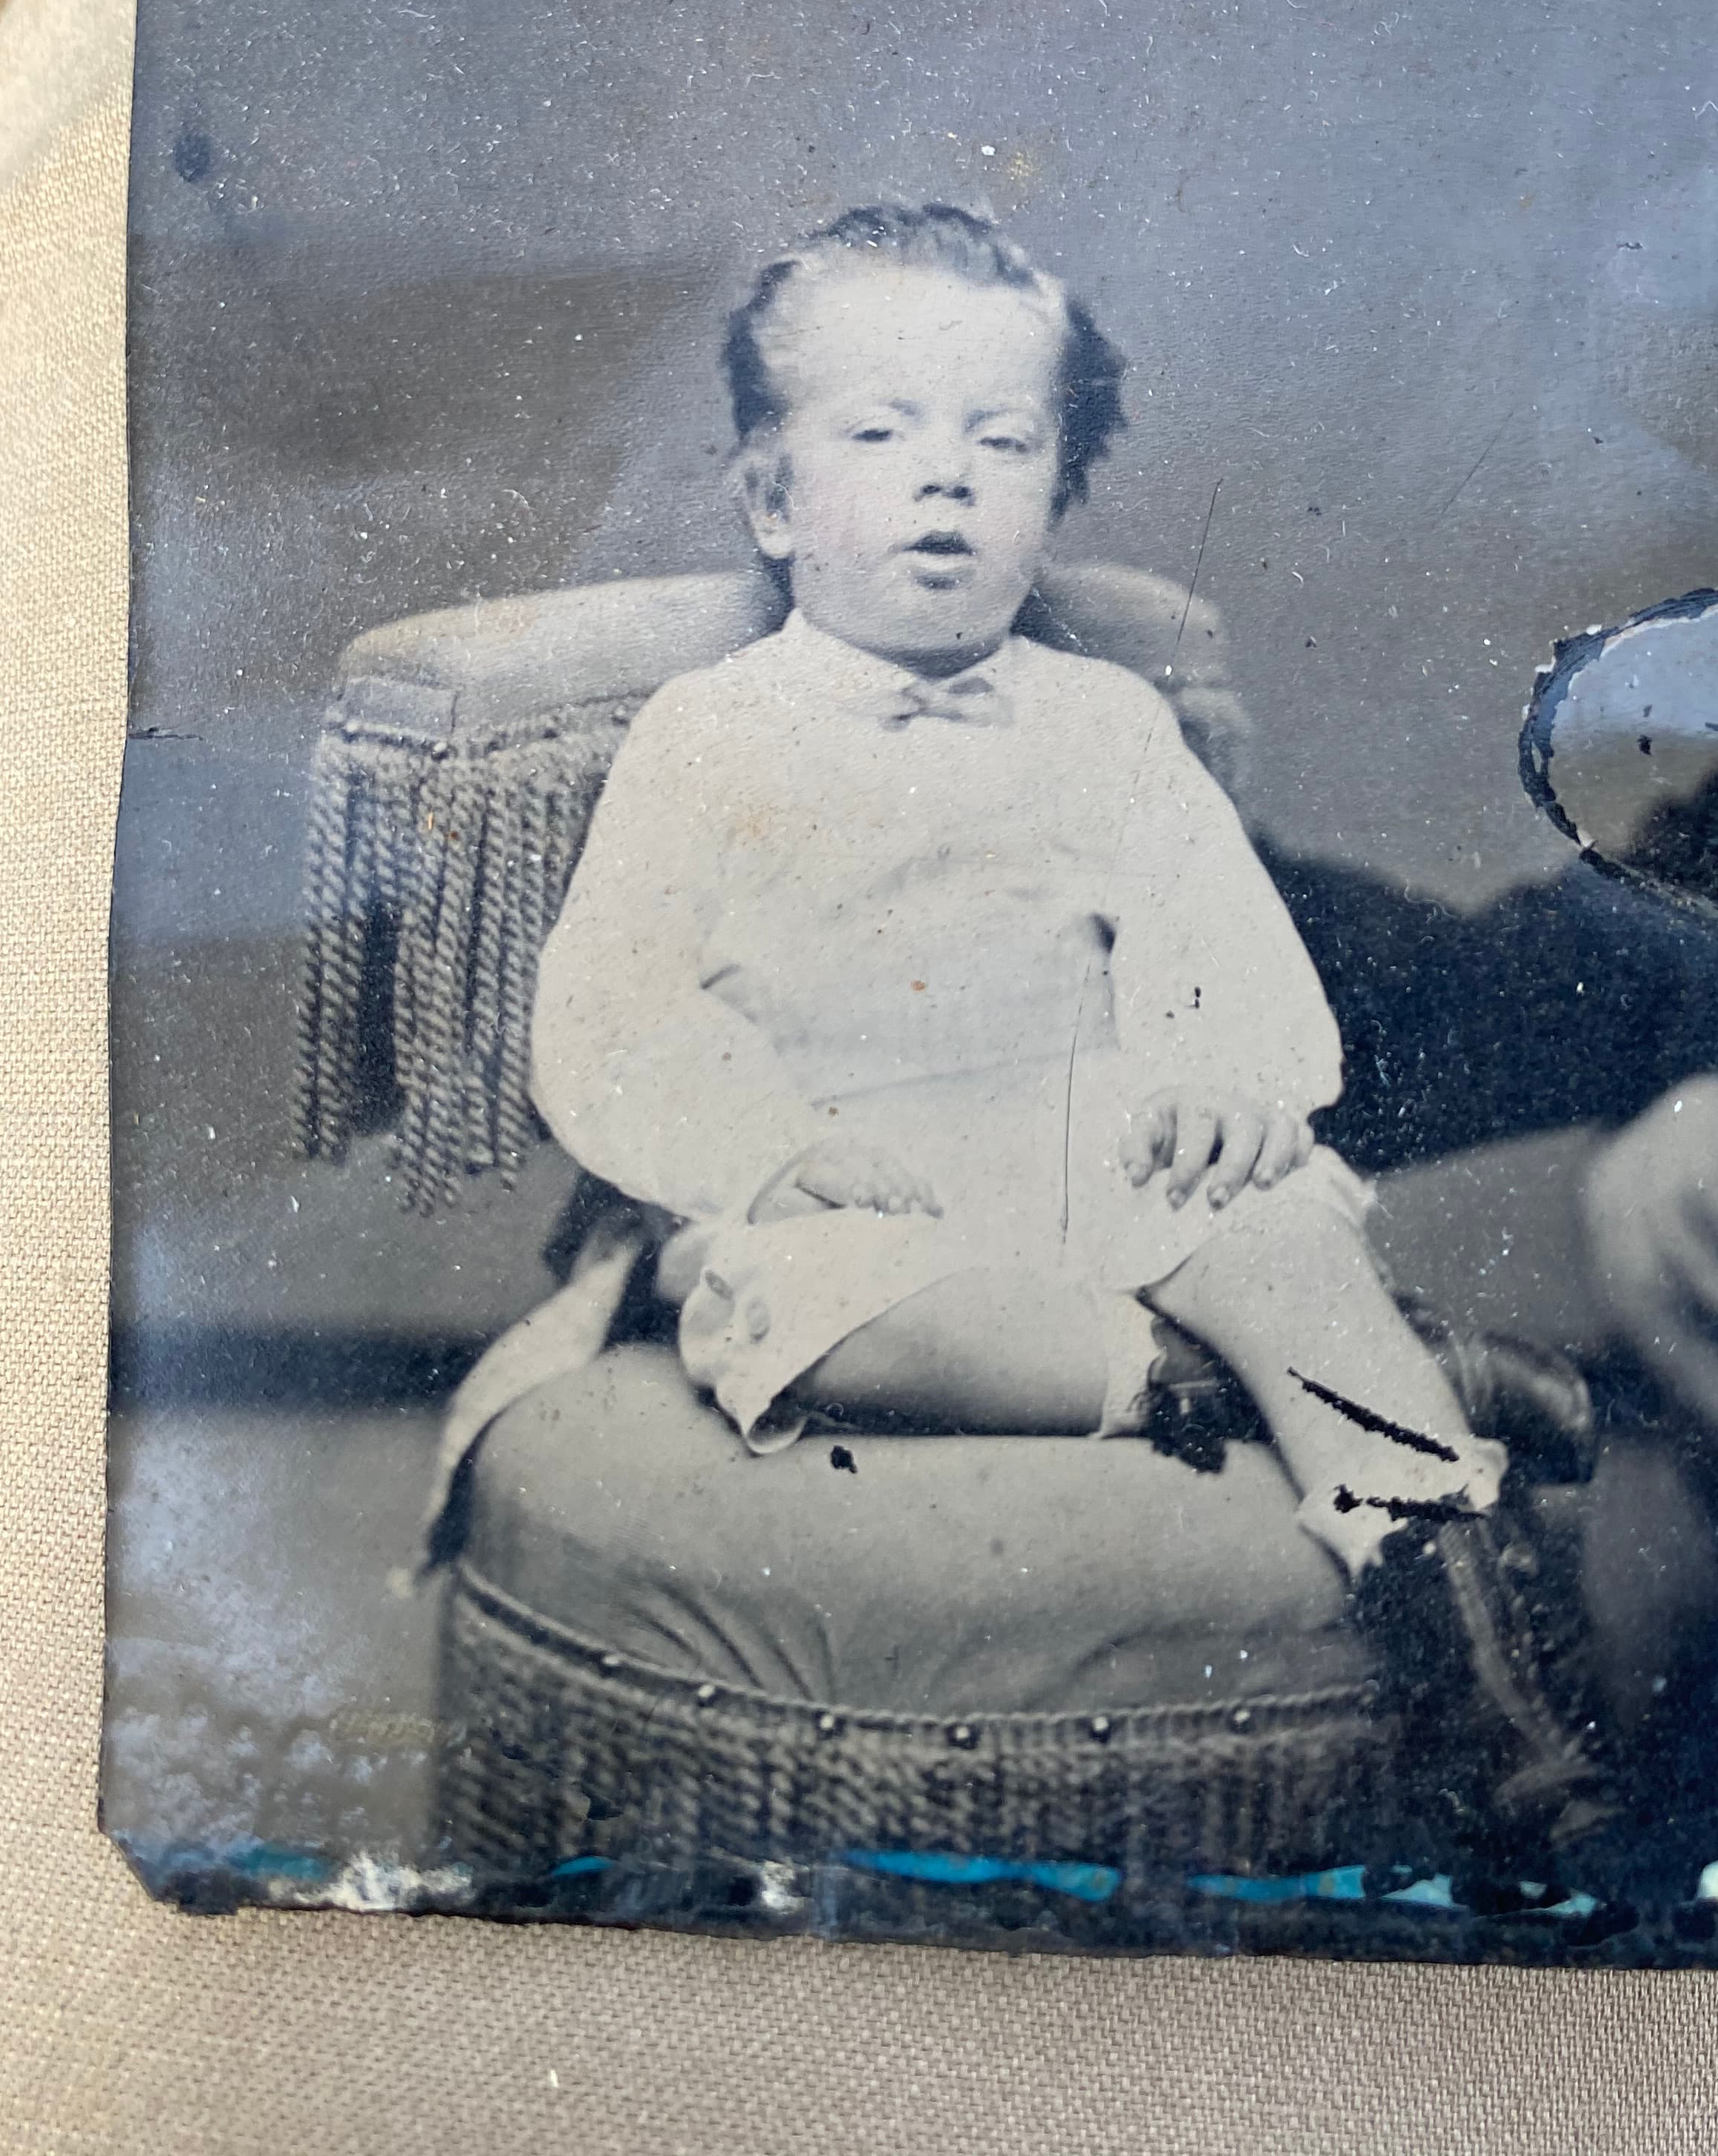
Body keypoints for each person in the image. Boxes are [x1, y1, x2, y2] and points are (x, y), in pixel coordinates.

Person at [530, 198, 1608, 1877]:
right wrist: (775, 1152)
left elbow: (1211, 940)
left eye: (1001, 441)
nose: (945, 478)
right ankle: (1297, 1376)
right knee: (832, 1330)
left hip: (1085, 1140)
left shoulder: (1104, 722)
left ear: (1050, 492)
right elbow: (616, 1009)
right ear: (773, 499)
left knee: (1265, 1230)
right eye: (880, 435)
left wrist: (1223, 1083)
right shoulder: (707, 737)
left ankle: (1508, 1720)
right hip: (861, 1180)